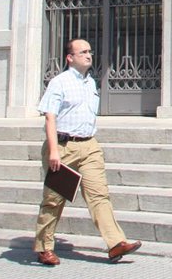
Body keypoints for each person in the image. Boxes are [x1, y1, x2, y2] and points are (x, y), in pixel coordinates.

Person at [33, 38, 142, 266]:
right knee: (54, 200)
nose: (88, 55)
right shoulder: (59, 82)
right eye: (82, 52)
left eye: (90, 51)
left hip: (89, 146)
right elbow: (50, 117)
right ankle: (45, 248)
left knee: (99, 195)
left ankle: (115, 243)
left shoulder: (91, 83)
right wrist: (54, 151)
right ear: (70, 58)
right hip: (63, 147)